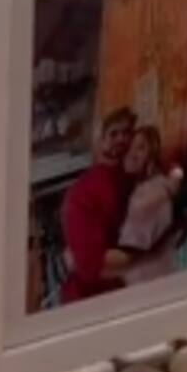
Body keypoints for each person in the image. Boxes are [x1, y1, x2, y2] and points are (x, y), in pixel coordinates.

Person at [58, 106, 135, 303]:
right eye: (114, 133)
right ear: (99, 140)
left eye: (127, 132)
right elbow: (92, 265)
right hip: (89, 300)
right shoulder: (81, 193)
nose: (121, 139)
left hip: (119, 292)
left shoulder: (130, 180)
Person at [118, 124, 185, 287]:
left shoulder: (150, 194)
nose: (132, 153)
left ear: (152, 155)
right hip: (158, 276)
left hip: (147, 281)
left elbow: (130, 252)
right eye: (130, 147)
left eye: (141, 148)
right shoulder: (152, 185)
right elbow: (177, 171)